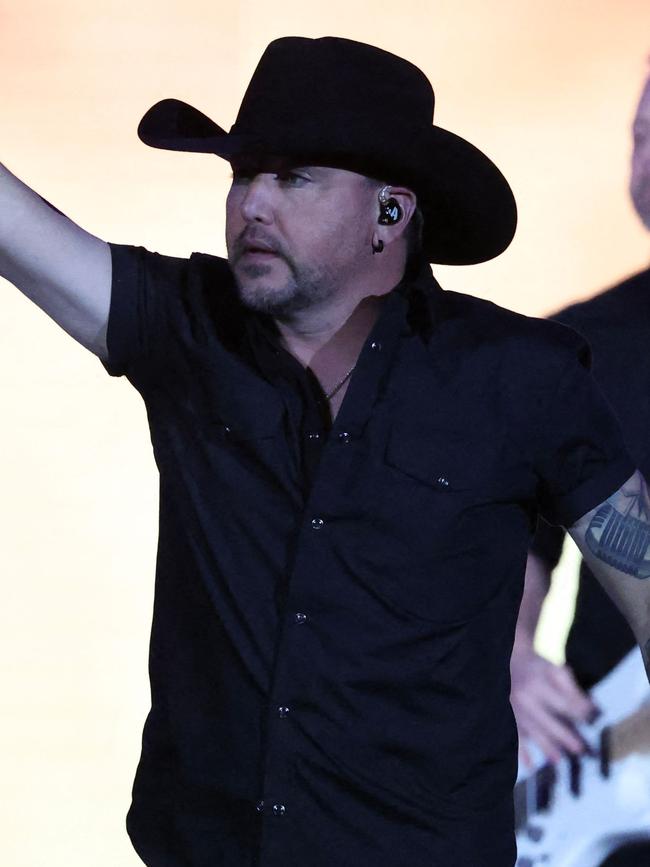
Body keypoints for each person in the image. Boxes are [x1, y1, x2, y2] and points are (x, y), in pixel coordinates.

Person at [2, 35, 650, 867]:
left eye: (293, 177)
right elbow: (17, 231)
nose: (251, 205)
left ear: (391, 212)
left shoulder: (517, 377)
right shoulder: (186, 329)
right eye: (242, 175)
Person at [510, 70, 650, 866]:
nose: (645, 150)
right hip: (618, 789)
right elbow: (514, 546)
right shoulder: (573, 350)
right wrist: (515, 657)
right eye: (640, 129)